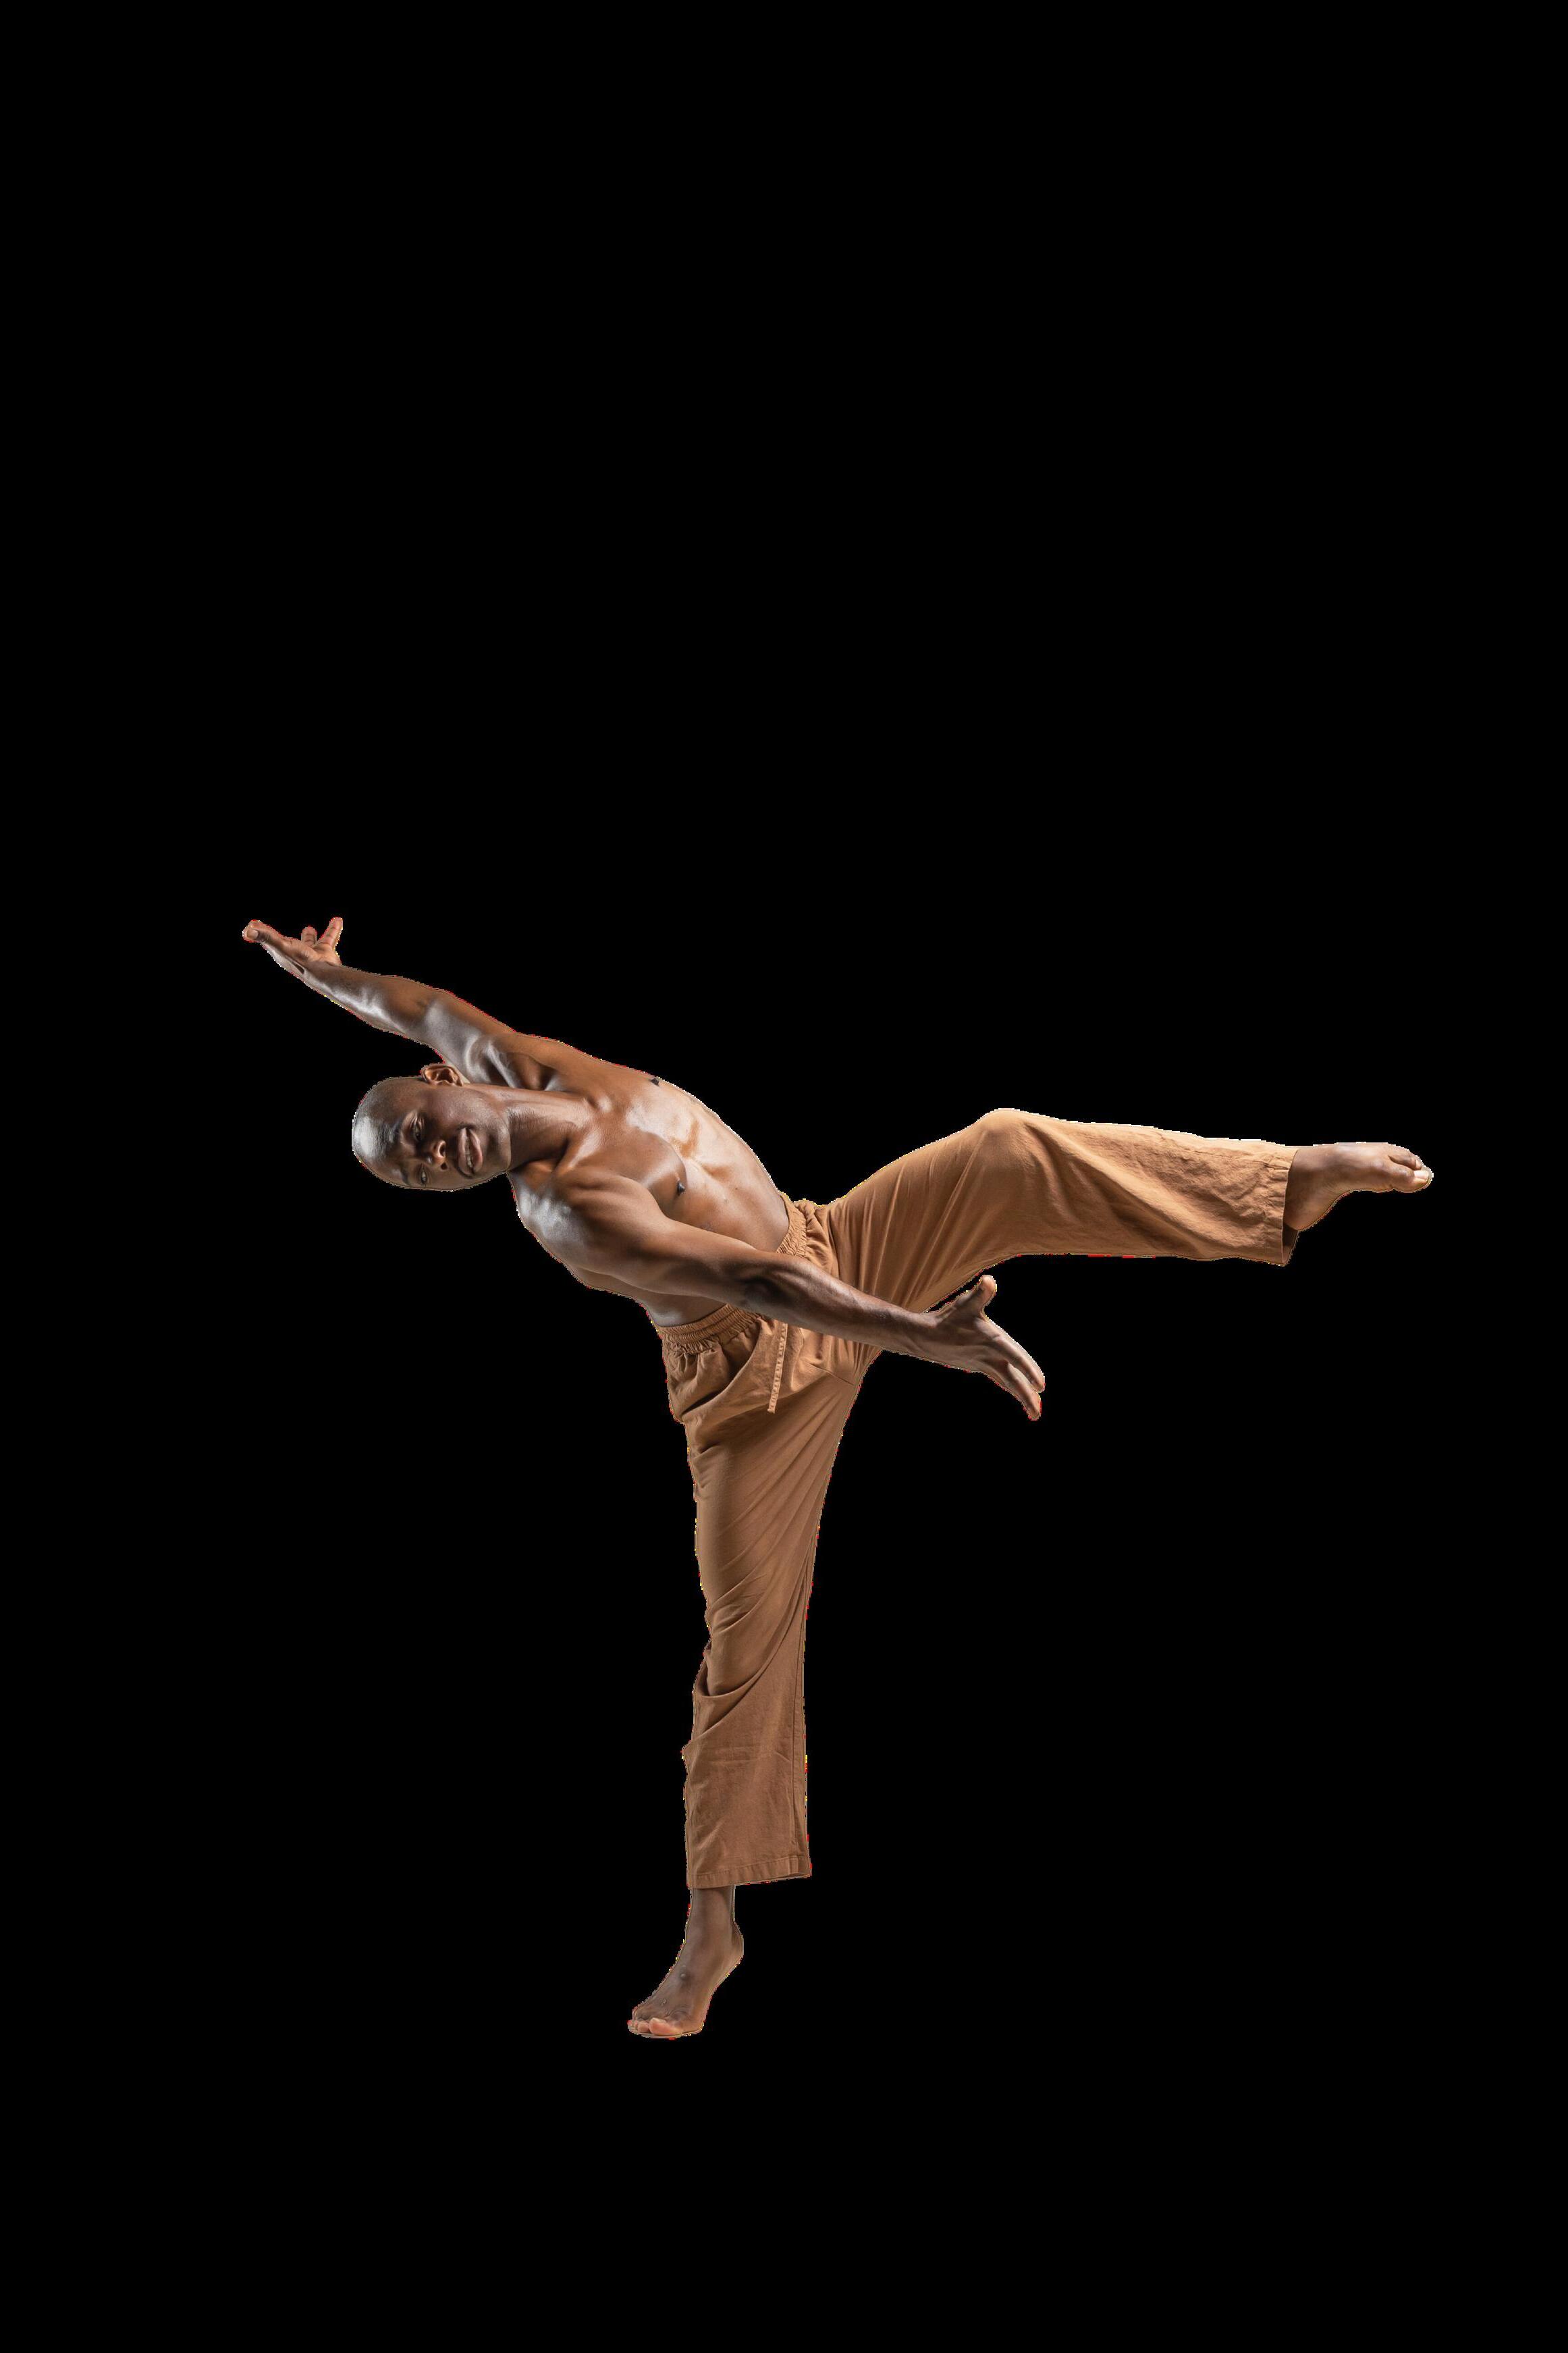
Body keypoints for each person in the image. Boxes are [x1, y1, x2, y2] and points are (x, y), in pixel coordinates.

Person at [243, 914, 1434, 2040]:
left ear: (446, 1079)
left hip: (827, 1244)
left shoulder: (506, 1053)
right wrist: (925, 1337)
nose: (435, 1158)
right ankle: (712, 1932)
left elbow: (408, 1000)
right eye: (417, 1176)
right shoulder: (569, 1214)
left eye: (419, 1131)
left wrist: (317, 971)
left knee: (1006, 1145)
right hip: (753, 1379)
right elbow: (755, 1287)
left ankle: (1279, 1186)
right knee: (746, 1636)